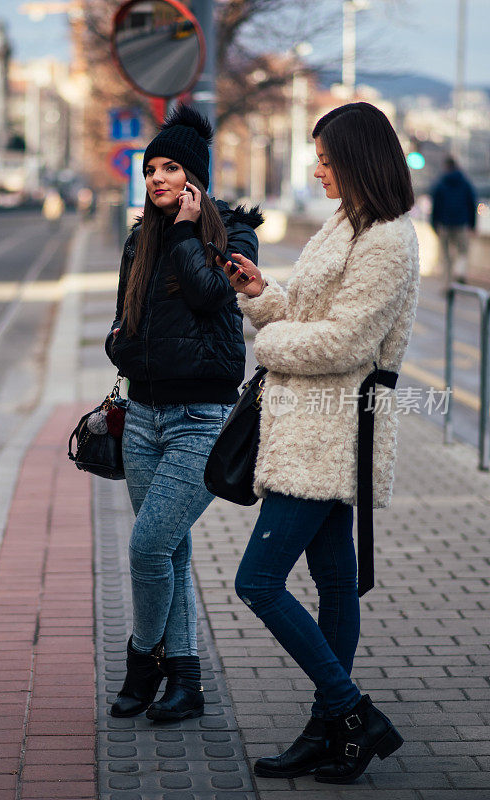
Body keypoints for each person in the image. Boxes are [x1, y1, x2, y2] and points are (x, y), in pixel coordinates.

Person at [219, 101, 419, 783]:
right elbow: (307, 314)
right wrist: (258, 291)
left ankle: (351, 713)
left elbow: (346, 340)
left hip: (332, 429)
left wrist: (268, 342)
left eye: (328, 161)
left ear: (361, 162)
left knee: (257, 581)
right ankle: (330, 734)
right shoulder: (342, 225)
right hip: (303, 420)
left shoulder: (390, 239)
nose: (318, 171)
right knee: (334, 584)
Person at [105, 105, 262, 722]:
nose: (158, 179)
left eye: (171, 168)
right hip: (143, 415)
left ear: (195, 177)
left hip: (201, 419)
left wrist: (182, 233)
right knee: (170, 551)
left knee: (147, 548)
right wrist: (120, 342)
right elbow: (126, 311)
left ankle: (143, 662)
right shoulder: (137, 237)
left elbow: (207, 295)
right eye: (150, 170)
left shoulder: (236, 235)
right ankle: (186, 680)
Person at [430, 156, 477, 283]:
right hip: (461, 224)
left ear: (446, 166)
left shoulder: (440, 183)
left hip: (444, 224)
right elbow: (472, 204)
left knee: (445, 256)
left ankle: (447, 285)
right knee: (463, 251)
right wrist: (472, 225)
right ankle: (460, 271)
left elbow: (435, 207)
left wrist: (434, 225)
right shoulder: (466, 183)